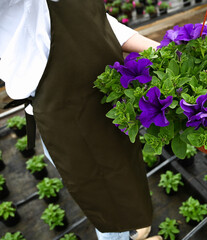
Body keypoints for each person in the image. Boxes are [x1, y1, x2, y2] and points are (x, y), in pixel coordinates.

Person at [0, 0, 162, 239]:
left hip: (106, 99)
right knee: (105, 192)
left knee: (125, 168)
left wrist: (157, 49)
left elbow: (95, 22)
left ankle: (135, 229)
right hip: (68, 112)